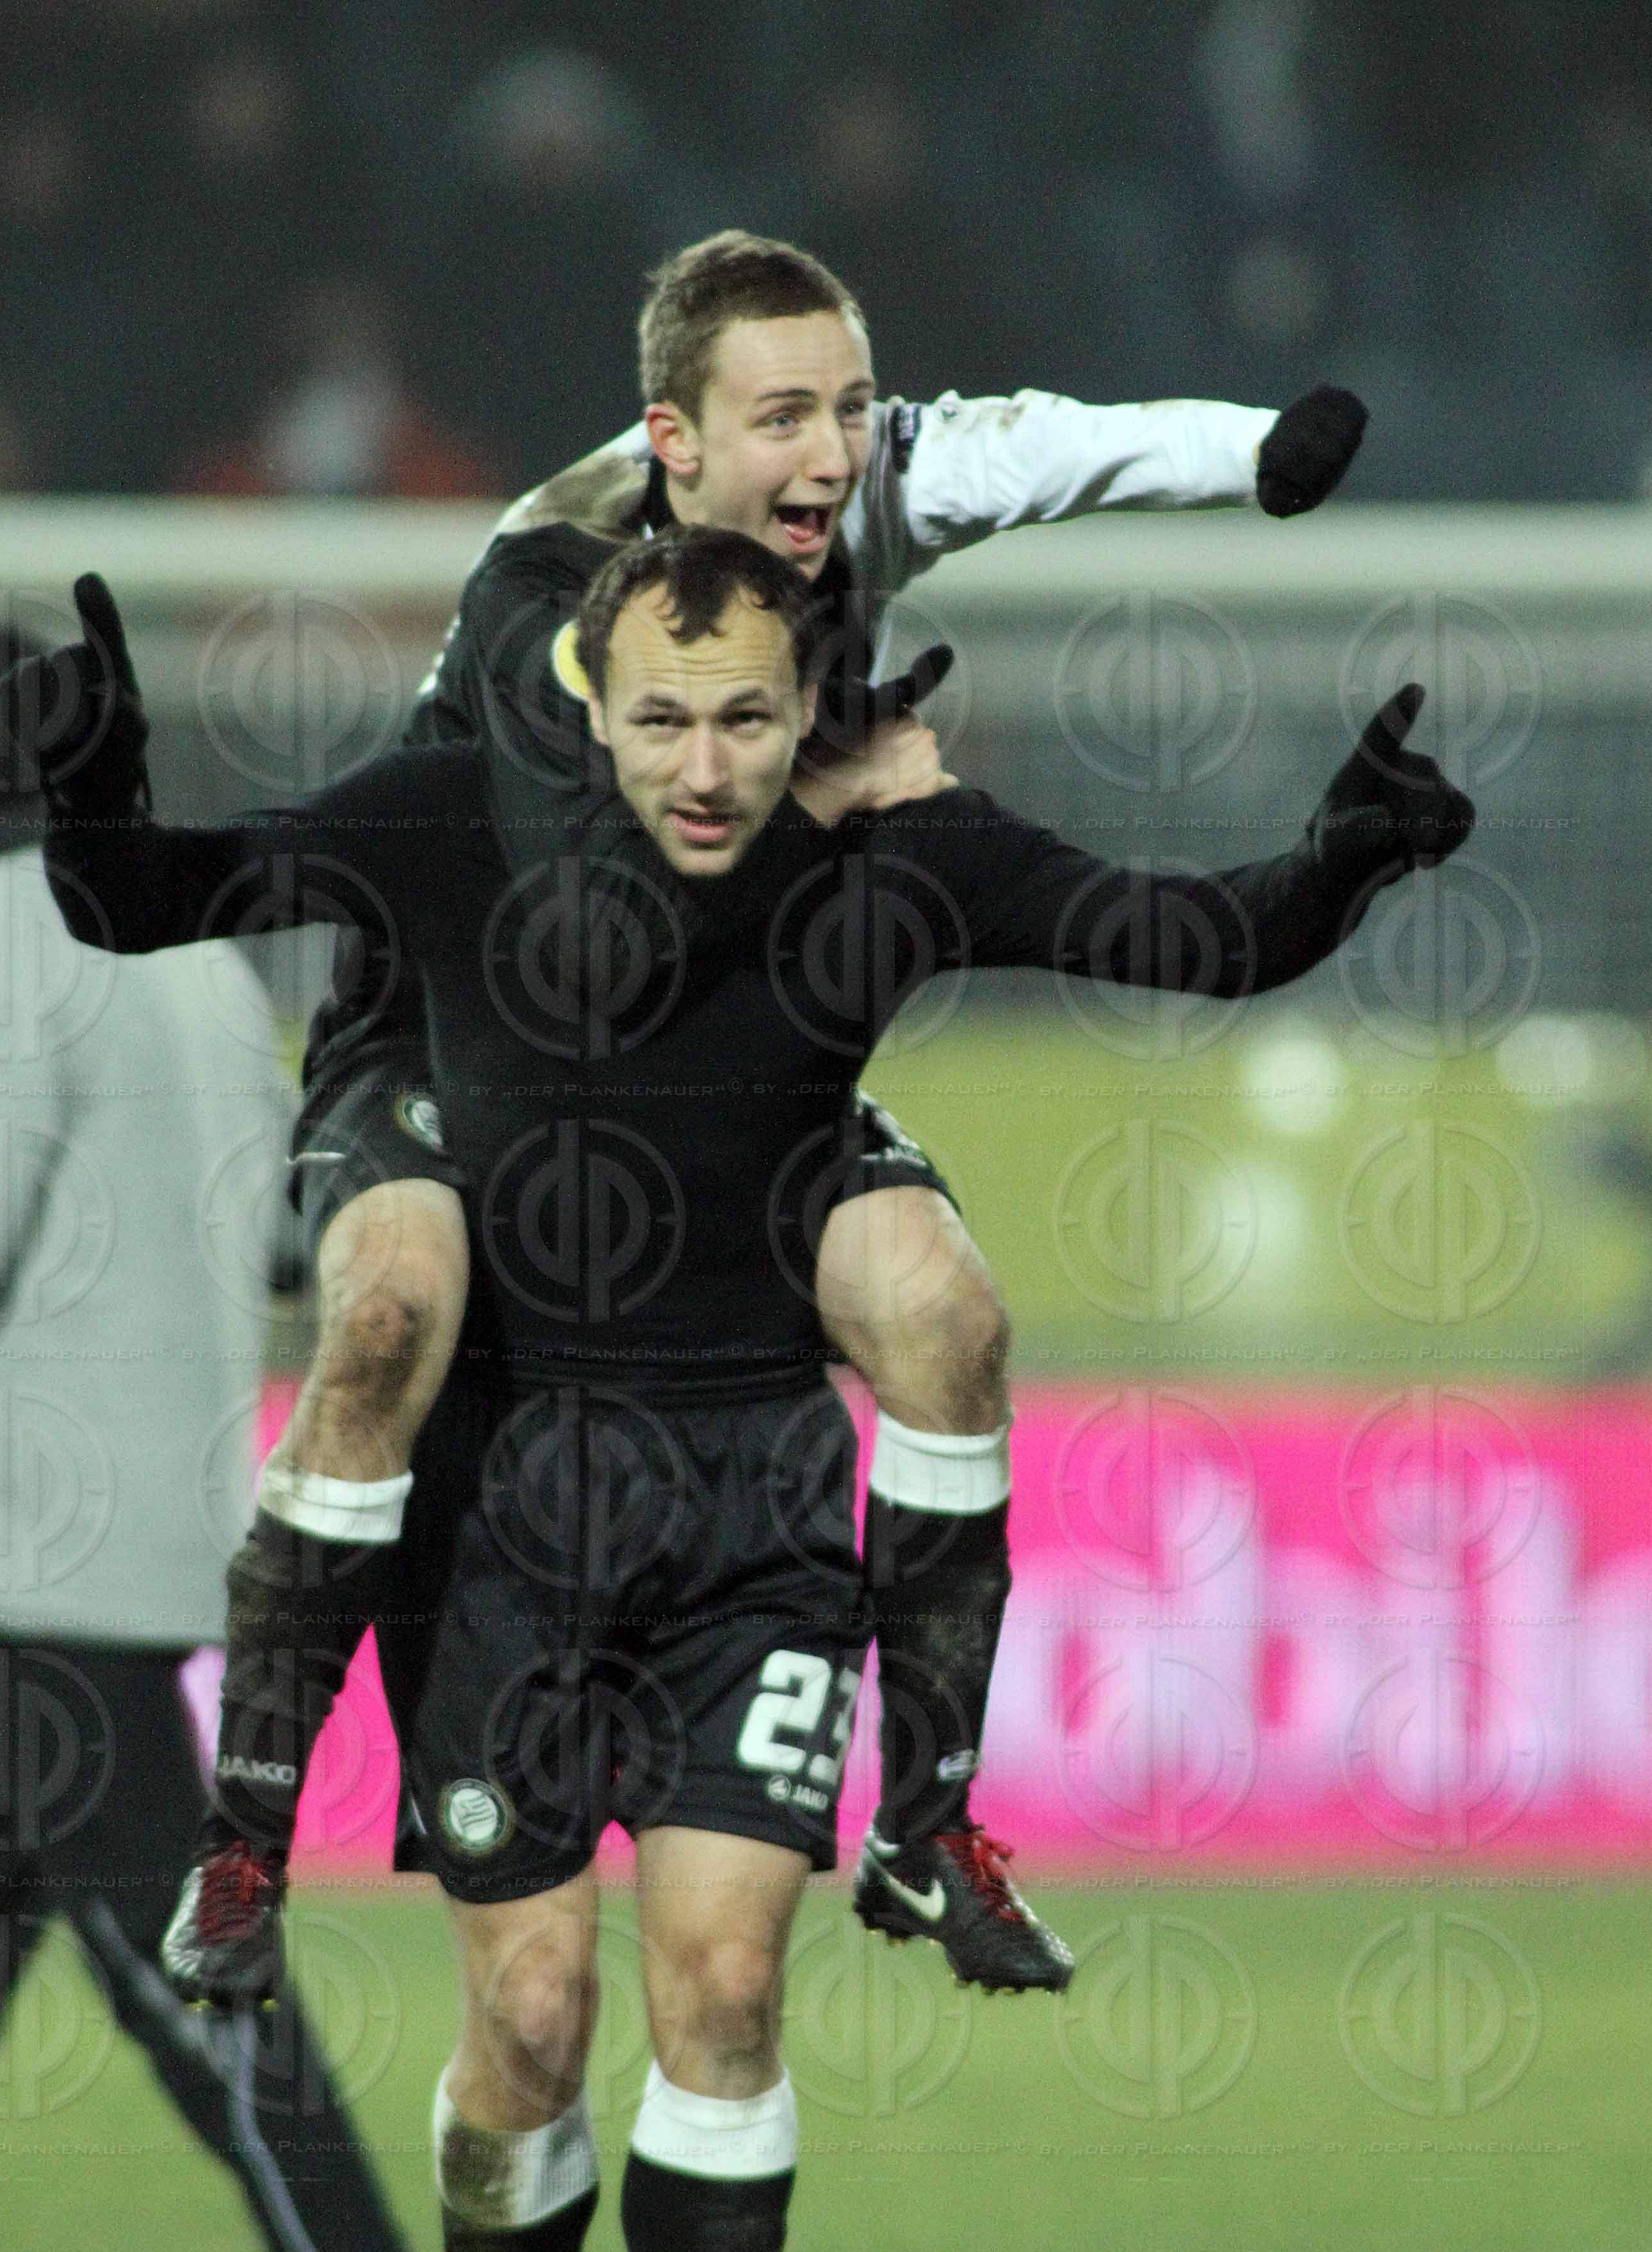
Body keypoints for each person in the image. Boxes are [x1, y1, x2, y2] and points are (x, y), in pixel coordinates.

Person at [32, 527, 1470, 2252]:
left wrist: (1344, 858)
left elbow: (1189, 934)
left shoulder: (889, 859)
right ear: (590, 707)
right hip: (502, 1520)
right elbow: (149, 895)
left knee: (720, 1990)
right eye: (660, 719)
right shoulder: (452, 821)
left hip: (756, 1513)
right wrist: (91, 786)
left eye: (742, 718)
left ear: (809, 714)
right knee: (531, 2015)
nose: (701, 766)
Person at [182, 230, 1370, 2001]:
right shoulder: (546, 590)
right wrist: (836, 791)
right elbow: (593, 927)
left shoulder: (841, 478)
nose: (832, 458)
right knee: (391, 1306)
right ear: (675, 443)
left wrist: (1253, 452)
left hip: (715, 1041)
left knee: (944, 1310)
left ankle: (929, 1825)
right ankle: (243, 1840)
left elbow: (1040, 446)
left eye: (852, 412)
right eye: (787, 422)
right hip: (457, 1034)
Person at [0, 618, 479, 2252]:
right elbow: (280, 1237)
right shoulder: (184, 957)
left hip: (39, 1563)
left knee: (190, 1983)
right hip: (139, 1538)